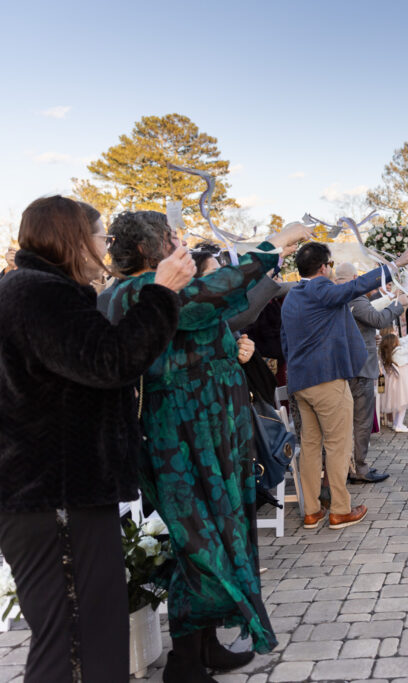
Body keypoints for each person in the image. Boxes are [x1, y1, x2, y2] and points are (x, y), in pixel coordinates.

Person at [105, 212, 309, 682]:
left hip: (213, 438)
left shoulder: (159, 291)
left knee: (214, 536)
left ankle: (204, 647)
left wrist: (233, 347)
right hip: (183, 442)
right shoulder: (140, 292)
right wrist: (276, 241)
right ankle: (183, 665)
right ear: (145, 250)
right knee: (200, 545)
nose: (179, 243)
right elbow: (211, 296)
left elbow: (207, 320)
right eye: (170, 238)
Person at [0, 197, 187, 683]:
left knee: (93, 632)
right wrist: (161, 292)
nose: (105, 246)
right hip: (55, 495)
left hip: (62, 494)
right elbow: (110, 362)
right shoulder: (38, 293)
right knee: (74, 641)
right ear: (72, 238)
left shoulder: (41, 291)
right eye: (100, 235)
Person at [281, 243, 408, 533]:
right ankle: (340, 511)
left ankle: (312, 511)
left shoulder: (292, 296)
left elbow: (285, 341)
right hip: (327, 381)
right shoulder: (321, 289)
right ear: (324, 267)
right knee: (338, 445)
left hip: (299, 382)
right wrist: (396, 265)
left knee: (310, 447)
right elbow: (357, 286)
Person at [338, 262, 406, 483]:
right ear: (354, 277)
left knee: (349, 420)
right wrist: (398, 305)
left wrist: (369, 337)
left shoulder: (334, 296)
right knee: (362, 420)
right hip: (360, 367)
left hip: (345, 364)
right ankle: (360, 468)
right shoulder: (354, 297)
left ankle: (350, 465)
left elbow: (355, 327)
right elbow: (377, 319)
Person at [378, 331, 408, 432]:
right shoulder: (398, 351)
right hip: (402, 379)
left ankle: (397, 423)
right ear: (393, 343)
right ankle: (399, 425)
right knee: (403, 402)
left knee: (399, 403)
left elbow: (404, 341)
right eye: (397, 340)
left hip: (393, 380)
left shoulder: (387, 353)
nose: (399, 341)